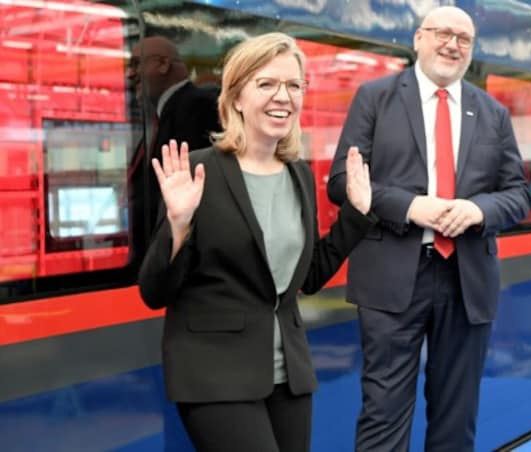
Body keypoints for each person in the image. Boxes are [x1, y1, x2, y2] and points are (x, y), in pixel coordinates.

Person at [137, 32, 375, 452]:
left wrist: (356, 215)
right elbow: (155, 291)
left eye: (293, 85)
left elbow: (310, 275)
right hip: (214, 373)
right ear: (236, 98)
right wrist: (178, 223)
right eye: (266, 84)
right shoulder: (195, 171)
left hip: (289, 374)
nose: (283, 96)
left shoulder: (297, 174)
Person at [327, 6, 530, 451]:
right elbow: (342, 183)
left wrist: (478, 211)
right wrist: (411, 206)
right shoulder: (374, 98)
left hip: (467, 279)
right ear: (418, 38)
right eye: (443, 33)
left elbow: (518, 195)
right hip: (391, 275)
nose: (453, 44)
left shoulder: (493, 113)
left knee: (457, 418)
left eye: (464, 39)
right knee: (383, 412)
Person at [126, 36, 221, 248]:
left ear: (163, 64)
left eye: (135, 64)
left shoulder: (198, 107)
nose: (129, 74)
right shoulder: (165, 114)